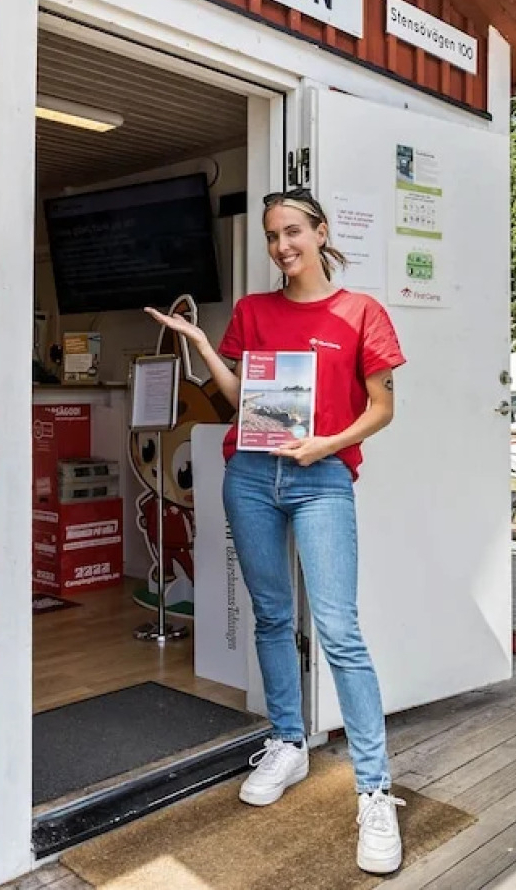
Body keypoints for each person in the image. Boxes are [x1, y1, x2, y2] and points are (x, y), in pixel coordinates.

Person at [146, 187, 407, 875]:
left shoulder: (361, 312)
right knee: (271, 616)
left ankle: (375, 791)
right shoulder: (253, 312)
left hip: (321, 478)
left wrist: (327, 445)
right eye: (271, 235)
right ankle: (289, 743)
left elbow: (382, 408)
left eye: (292, 231)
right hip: (252, 476)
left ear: (320, 232)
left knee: (339, 631)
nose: (281, 245)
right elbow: (244, 402)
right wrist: (203, 346)